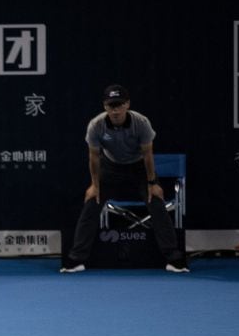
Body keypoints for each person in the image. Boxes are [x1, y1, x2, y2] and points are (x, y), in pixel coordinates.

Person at [61, 84, 188, 274]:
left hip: (139, 169)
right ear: (105, 106)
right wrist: (94, 185)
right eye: (111, 105)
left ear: (127, 104)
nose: (115, 110)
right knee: (91, 203)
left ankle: (174, 259)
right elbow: (94, 158)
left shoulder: (141, 122)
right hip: (110, 169)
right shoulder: (96, 125)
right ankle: (76, 259)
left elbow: (148, 155)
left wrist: (152, 183)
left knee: (156, 203)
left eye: (119, 104)